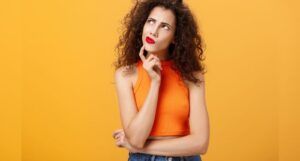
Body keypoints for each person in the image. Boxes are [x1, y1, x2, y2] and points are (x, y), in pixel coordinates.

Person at [112, 0, 209, 160]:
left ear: (175, 38)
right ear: (142, 25)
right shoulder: (126, 75)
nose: (154, 31)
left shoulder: (192, 75)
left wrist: (141, 147)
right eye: (151, 22)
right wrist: (155, 83)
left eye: (165, 26)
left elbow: (201, 143)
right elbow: (136, 138)